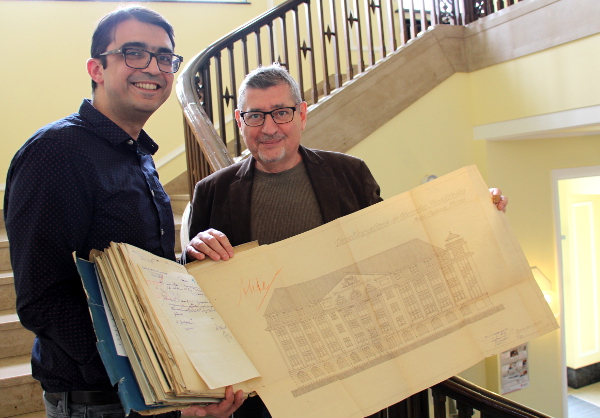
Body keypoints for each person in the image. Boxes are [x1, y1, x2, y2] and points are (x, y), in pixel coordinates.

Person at [184, 63, 508, 417]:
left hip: (355, 378)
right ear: (239, 120)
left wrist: (474, 210)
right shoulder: (211, 192)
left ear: (302, 115)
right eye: (256, 116)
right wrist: (194, 252)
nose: (270, 128)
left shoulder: (350, 174)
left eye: (281, 112)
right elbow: (198, 294)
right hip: (266, 394)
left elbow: (397, 241)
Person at [4, 6, 242, 418]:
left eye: (164, 56)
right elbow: (43, 298)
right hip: (102, 403)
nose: (152, 66)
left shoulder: (138, 156)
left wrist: (185, 264)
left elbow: (135, 273)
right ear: (96, 68)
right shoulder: (57, 153)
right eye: (134, 52)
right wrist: (148, 388)